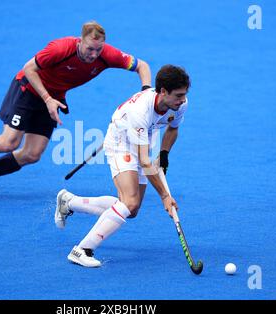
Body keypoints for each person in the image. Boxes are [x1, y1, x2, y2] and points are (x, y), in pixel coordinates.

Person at [0, 21, 151, 200]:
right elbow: (29, 68)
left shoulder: (108, 55)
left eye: (98, 50)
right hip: (28, 89)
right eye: (89, 49)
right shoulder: (60, 49)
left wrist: (144, 92)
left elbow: (142, 66)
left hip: (54, 99)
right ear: (80, 41)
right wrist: (47, 98)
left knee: (32, 154)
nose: (94, 55)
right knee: (9, 142)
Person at [54, 65, 190, 267]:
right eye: (178, 95)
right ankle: (82, 249)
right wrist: (164, 196)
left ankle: (69, 202)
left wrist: (163, 154)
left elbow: (172, 129)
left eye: (184, 95)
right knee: (130, 203)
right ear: (163, 92)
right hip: (120, 142)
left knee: (130, 209)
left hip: (145, 140)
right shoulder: (140, 112)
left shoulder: (180, 104)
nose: (182, 99)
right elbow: (144, 161)